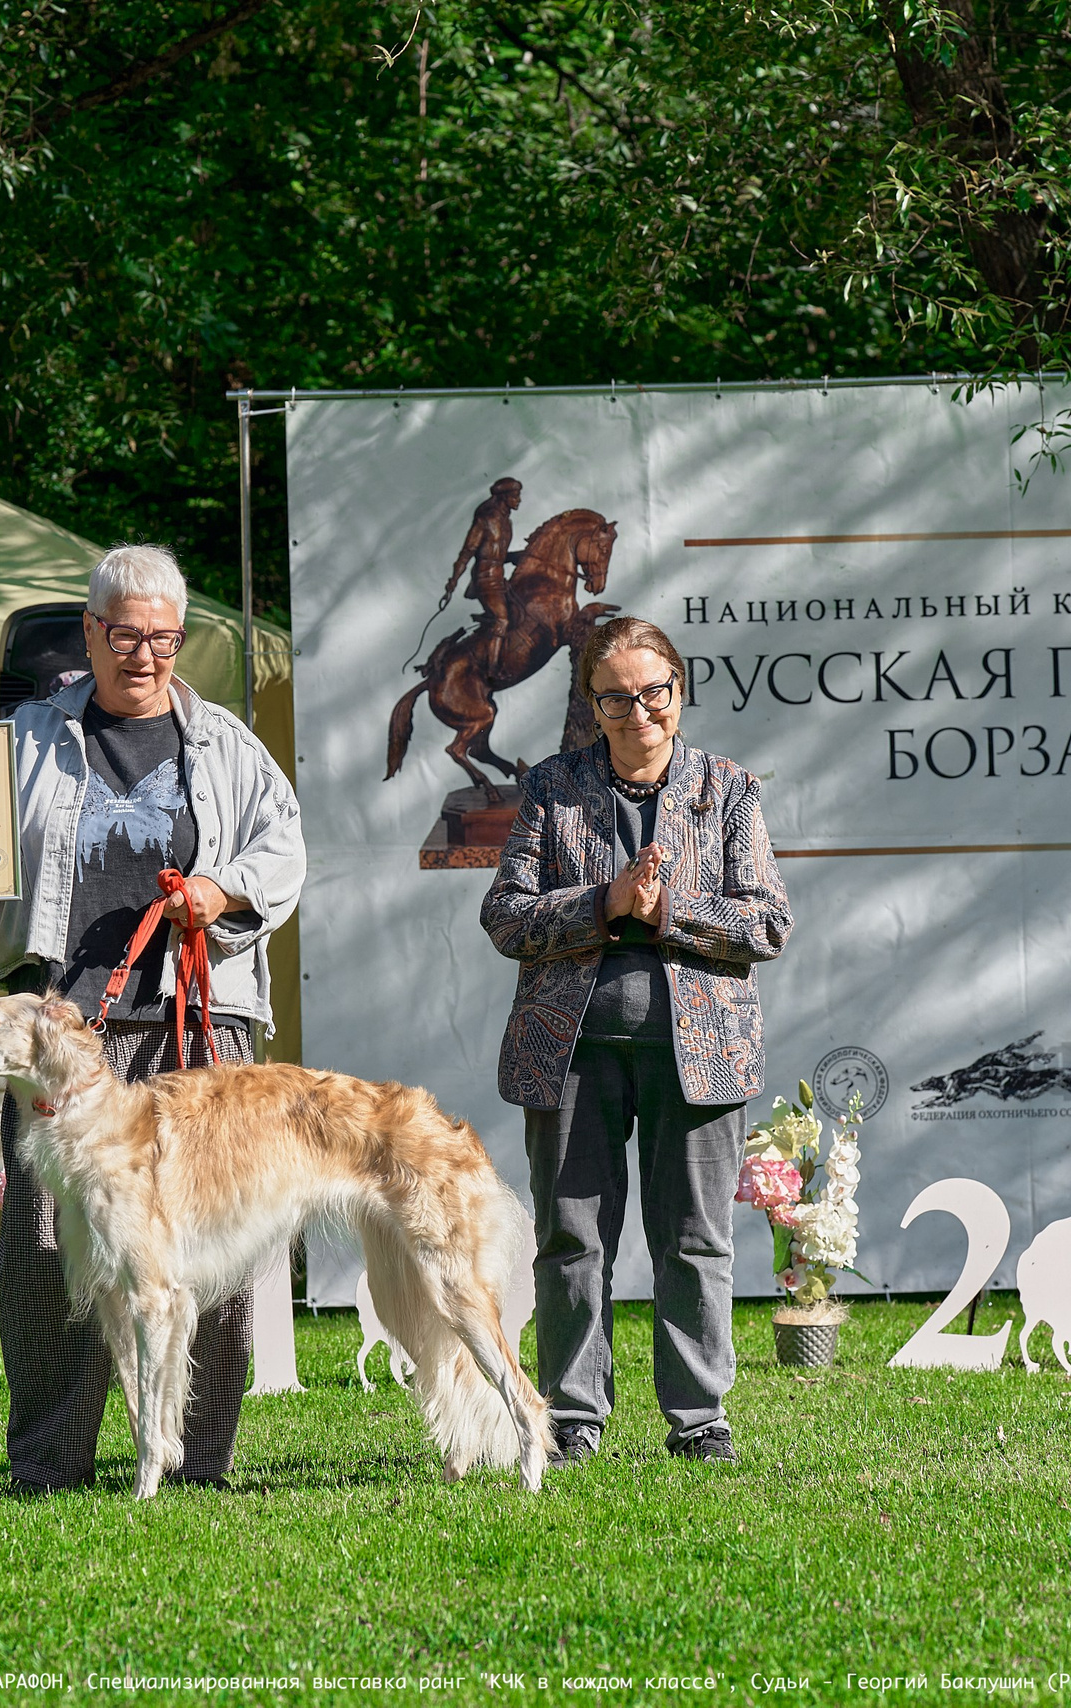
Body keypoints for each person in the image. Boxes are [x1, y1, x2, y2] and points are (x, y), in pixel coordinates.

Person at [0, 544, 304, 1493]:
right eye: (125, 635)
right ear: (92, 632)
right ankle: (49, 1465)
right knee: (44, 1251)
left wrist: (223, 891)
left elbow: (285, 844)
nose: (145, 654)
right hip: (60, 1035)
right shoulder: (25, 734)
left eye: (164, 637)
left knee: (212, 1259)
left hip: (196, 1022)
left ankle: (196, 1463)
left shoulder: (225, 741)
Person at [480, 616, 791, 1467]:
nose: (637, 712)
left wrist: (670, 912)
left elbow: (767, 922)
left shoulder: (728, 789)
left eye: (653, 693)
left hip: (701, 1050)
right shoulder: (552, 788)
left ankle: (699, 1419)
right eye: (616, 697)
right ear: (592, 704)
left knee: (694, 1238)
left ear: (679, 692)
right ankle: (574, 1416)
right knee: (572, 1238)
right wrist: (602, 904)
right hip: (569, 1045)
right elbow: (503, 916)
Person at [444, 477, 524, 658]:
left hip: (499, 578)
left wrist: (516, 556)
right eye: (515, 496)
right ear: (504, 497)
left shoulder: (507, 523)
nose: (519, 500)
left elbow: (498, 556)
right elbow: (468, 551)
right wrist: (453, 580)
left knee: (519, 614)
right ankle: (492, 668)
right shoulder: (485, 520)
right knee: (502, 620)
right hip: (485, 579)